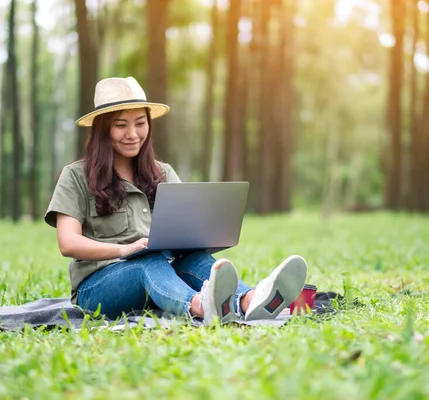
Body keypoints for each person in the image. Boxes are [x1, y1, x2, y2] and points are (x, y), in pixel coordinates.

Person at [44, 76, 308, 324]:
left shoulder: (162, 173)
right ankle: (200, 306)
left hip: (159, 273)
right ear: (103, 128)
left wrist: (200, 238)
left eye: (140, 123)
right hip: (97, 286)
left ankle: (249, 300)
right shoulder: (76, 175)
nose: (133, 134)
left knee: (195, 262)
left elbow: (186, 229)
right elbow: (68, 243)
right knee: (147, 262)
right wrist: (124, 250)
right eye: (120, 125)